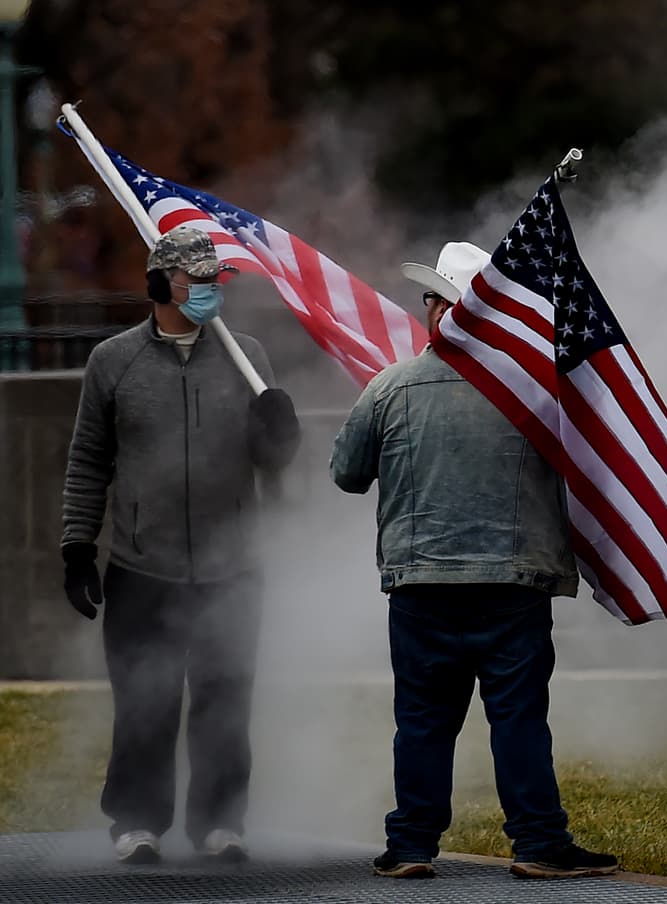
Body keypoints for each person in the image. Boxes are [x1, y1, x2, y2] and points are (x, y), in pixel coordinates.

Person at [329, 241, 619, 881]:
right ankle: (540, 843)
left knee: (423, 721)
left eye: (430, 298)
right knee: (518, 718)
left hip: (420, 584)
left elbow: (346, 474)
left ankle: (411, 844)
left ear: (441, 309)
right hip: (513, 582)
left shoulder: (389, 388)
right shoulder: (537, 393)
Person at [60, 225, 301, 864]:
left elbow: (273, 460)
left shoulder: (246, 356)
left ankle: (222, 822)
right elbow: (88, 460)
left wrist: (282, 430)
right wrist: (77, 546)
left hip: (233, 568)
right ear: (164, 282)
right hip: (143, 567)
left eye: (215, 280)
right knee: (145, 699)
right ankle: (136, 823)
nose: (210, 291)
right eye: (197, 280)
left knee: (225, 697)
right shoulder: (114, 362)